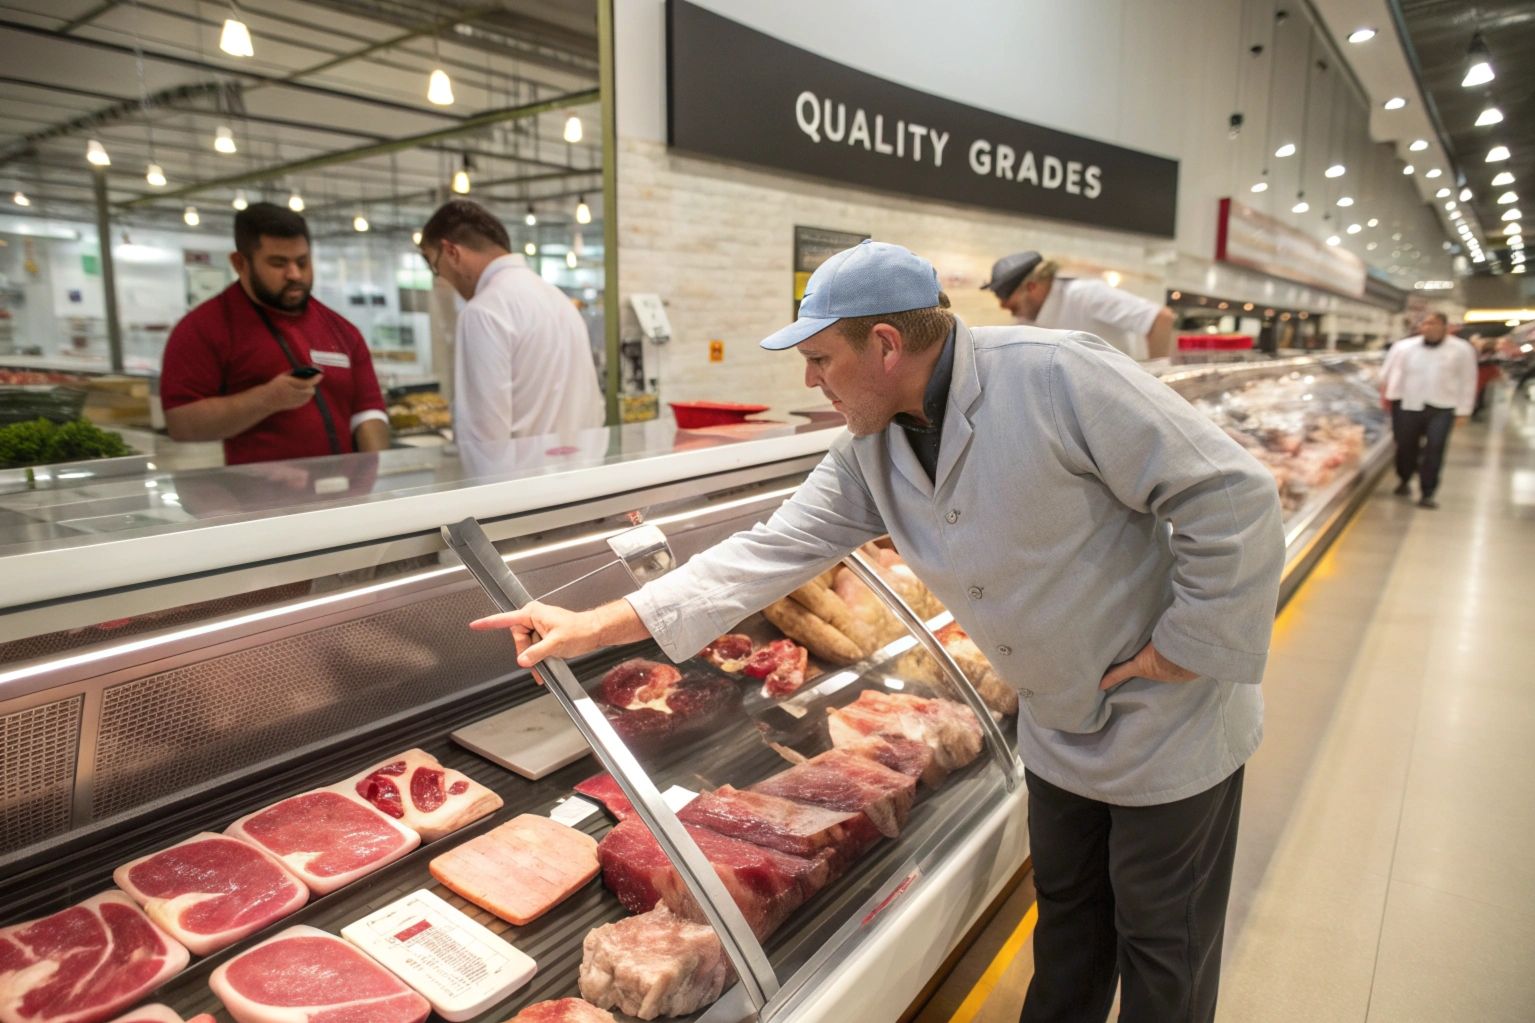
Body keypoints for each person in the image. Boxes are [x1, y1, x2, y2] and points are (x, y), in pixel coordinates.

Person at [471, 240, 1286, 1023]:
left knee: (1161, 953)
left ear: (887, 344)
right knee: (1071, 929)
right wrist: (594, 624)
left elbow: (1230, 493)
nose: (809, 378)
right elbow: (767, 551)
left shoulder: (1055, 373)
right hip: (1058, 725)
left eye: (821, 358)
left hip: (1163, 722)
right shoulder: (871, 446)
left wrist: (1187, 645)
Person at [160, 203, 389, 465]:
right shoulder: (204, 328)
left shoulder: (342, 330)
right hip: (257, 500)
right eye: (278, 263)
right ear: (239, 263)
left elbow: (368, 411)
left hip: (344, 496)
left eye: (302, 262)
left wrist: (376, 480)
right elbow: (180, 423)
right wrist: (266, 399)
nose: (294, 274)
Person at [416, 199, 604, 446]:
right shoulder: (558, 300)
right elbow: (594, 409)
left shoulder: (484, 311)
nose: (441, 278)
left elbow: (483, 437)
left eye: (434, 266)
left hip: (521, 480)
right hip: (582, 474)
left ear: (451, 252)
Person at [982, 250, 1176, 360]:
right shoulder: (1026, 321)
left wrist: (1156, 382)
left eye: (1007, 299)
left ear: (1032, 287)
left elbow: (1160, 318)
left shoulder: (1086, 295)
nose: (1003, 307)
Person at [1379, 312, 1476, 509]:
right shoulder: (1403, 347)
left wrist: (1464, 410)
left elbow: (1468, 380)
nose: (1428, 327)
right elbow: (1386, 373)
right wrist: (1386, 395)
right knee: (1405, 446)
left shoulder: (1462, 349)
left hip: (1443, 406)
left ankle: (1428, 492)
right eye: (1425, 324)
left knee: (1435, 448)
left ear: (1444, 326)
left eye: (1433, 323)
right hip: (1407, 403)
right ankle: (1404, 478)